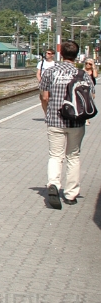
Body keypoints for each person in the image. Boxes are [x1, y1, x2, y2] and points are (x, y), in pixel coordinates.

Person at [39, 41, 94, 208]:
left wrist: (47, 113)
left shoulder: (50, 72)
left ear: (60, 54)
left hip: (55, 120)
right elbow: (90, 95)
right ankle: (71, 194)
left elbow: (44, 97)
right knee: (73, 156)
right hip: (76, 121)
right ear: (76, 56)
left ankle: (54, 185)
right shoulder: (82, 74)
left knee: (56, 155)